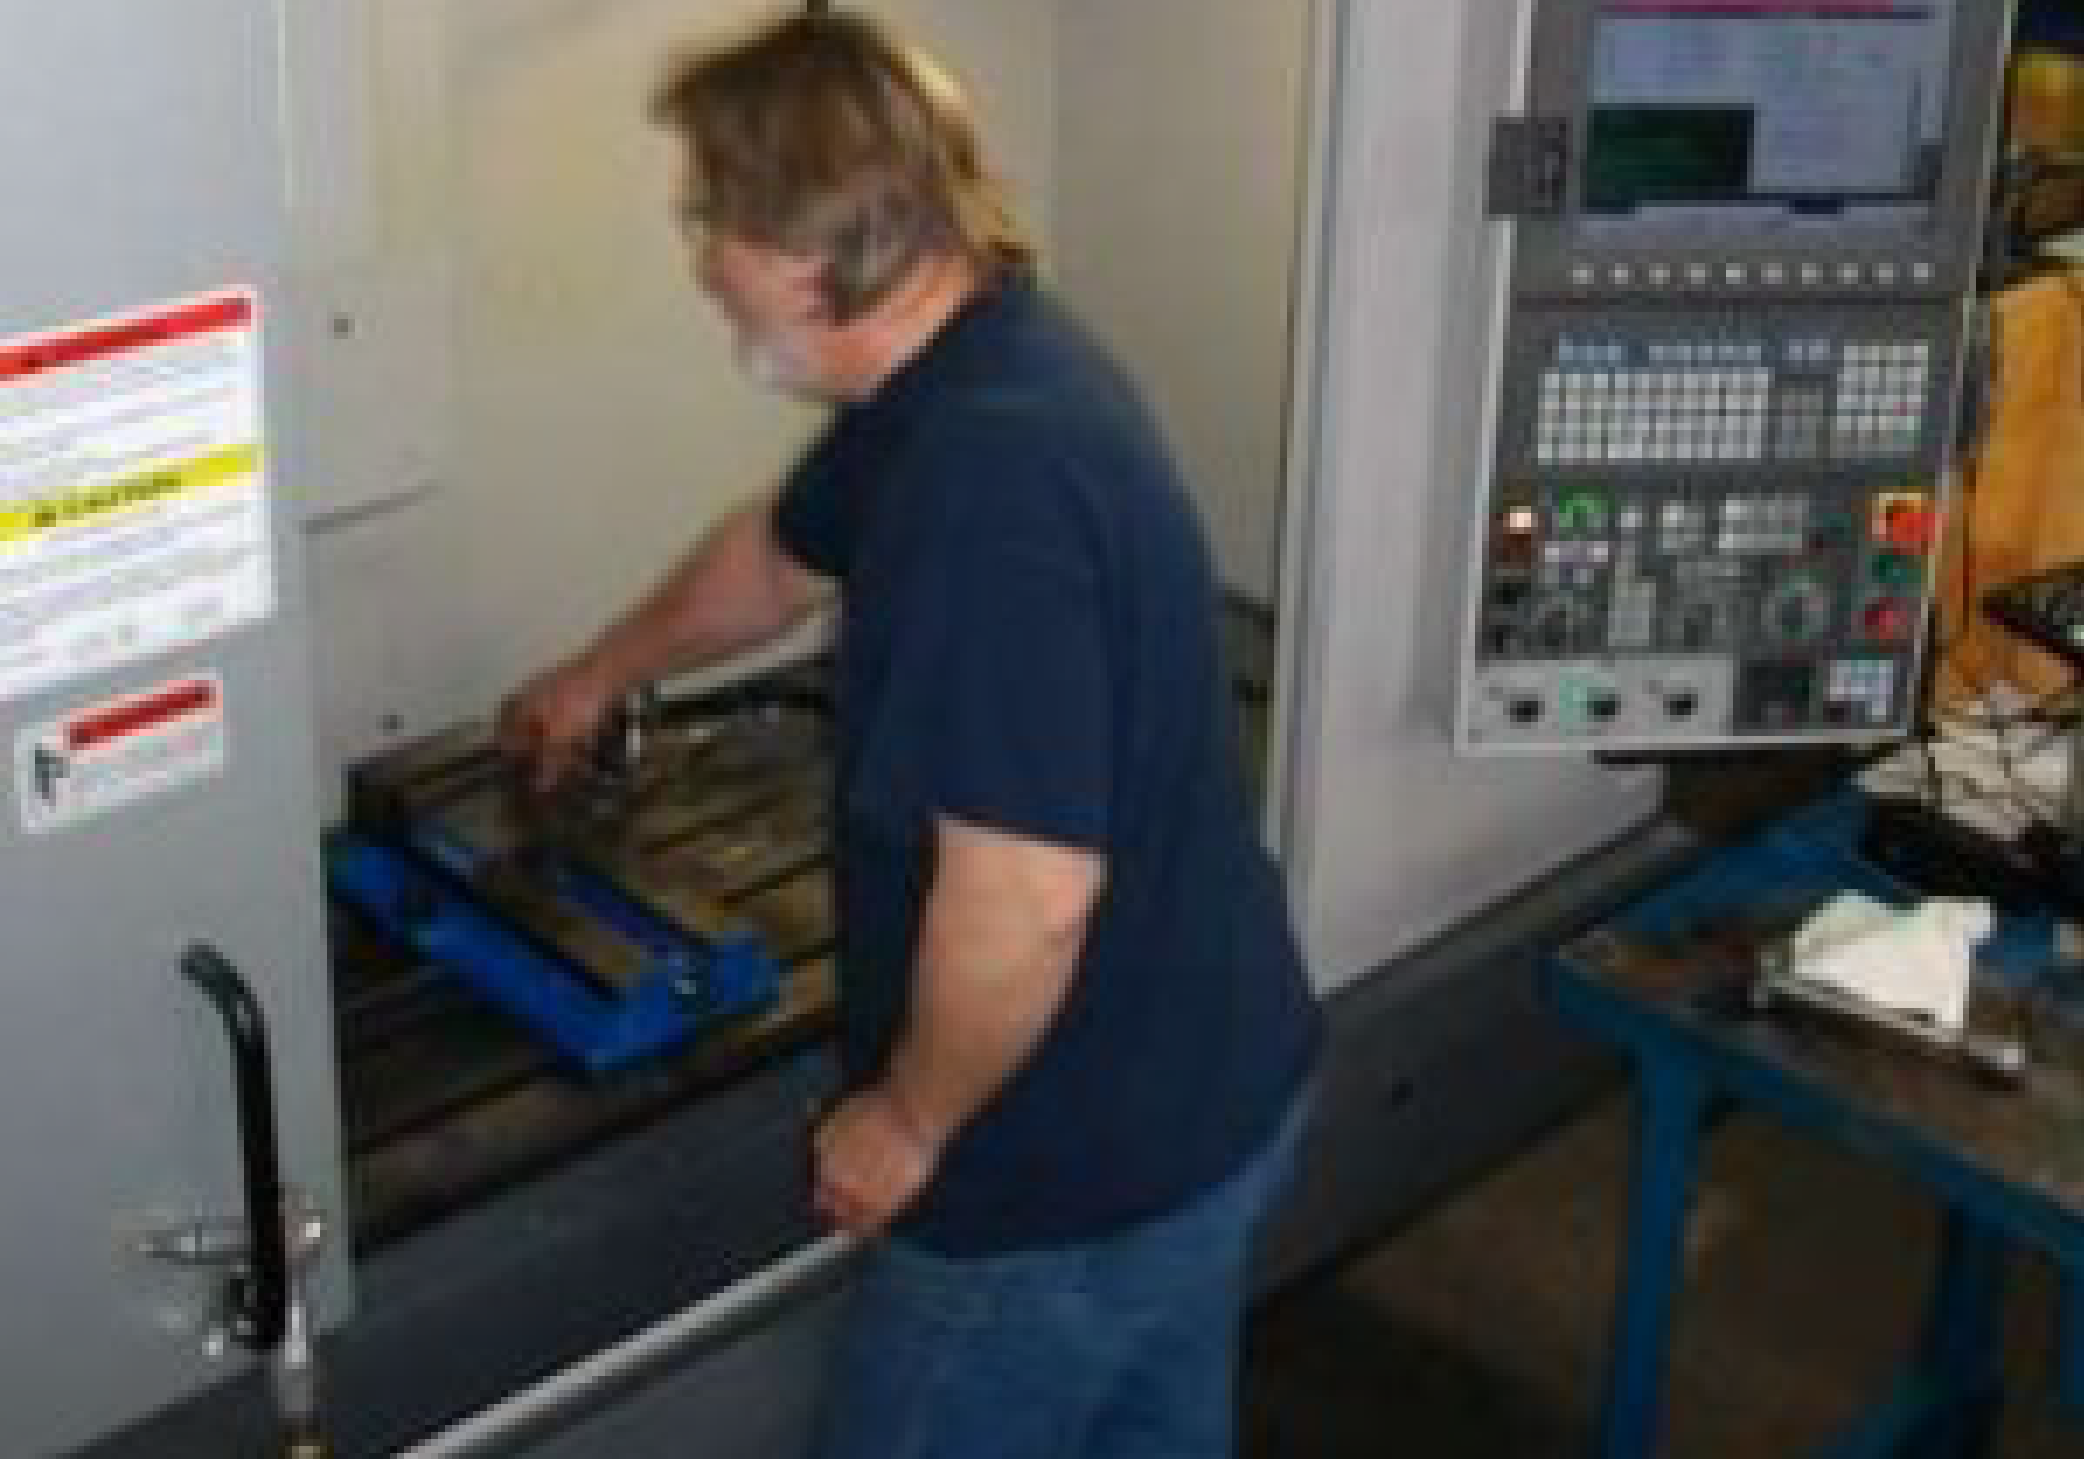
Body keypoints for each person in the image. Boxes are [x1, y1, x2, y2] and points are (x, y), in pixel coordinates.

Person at [498, 11, 1320, 1456]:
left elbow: (1023, 900)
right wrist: (601, 670)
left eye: (713, 221)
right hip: (1211, 1089)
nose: (701, 261)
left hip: (1058, 1182)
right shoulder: (971, 362)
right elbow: (782, 551)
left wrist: (913, 1121)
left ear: (818, 257)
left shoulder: (987, 486)